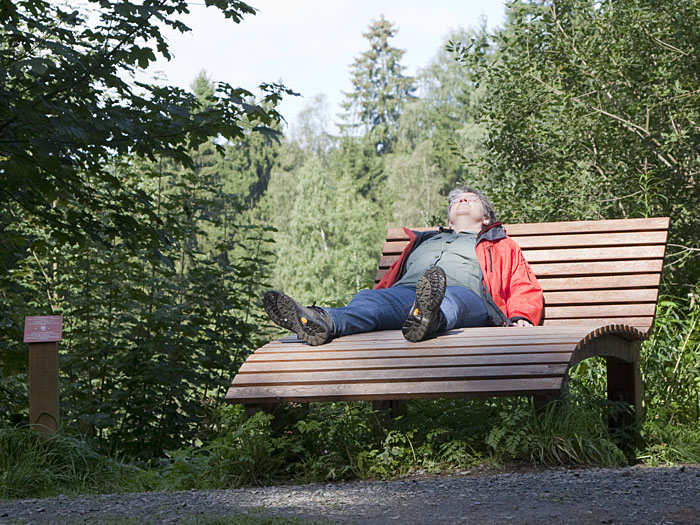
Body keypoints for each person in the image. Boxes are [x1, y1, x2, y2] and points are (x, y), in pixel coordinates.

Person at [263, 186, 543, 345]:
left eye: (471, 199)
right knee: (370, 300)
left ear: (485, 218)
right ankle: (322, 321)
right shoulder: (424, 241)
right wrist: (377, 294)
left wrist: (522, 316)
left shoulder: (500, 244)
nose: (462, 200)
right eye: (456, 199)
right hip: (409, 294)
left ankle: (429, 318)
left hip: (469, 297)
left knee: (449, 302)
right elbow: (390, 282)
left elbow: (523, 283)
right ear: (448, 219)